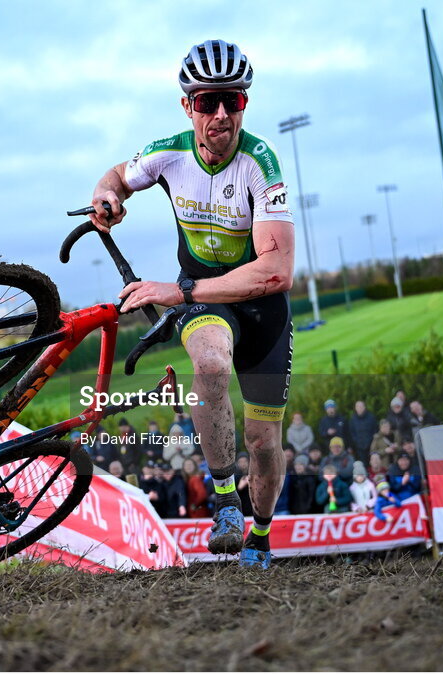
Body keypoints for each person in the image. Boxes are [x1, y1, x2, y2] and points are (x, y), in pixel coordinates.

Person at [89, 40, 295, 568]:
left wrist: (178, 292)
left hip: (260, 310)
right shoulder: (167, 152)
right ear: (188, 106)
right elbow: (115, 177)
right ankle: (225, 497)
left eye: (234, 101)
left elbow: (276, 272)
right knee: (207, 362)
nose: (222, 115)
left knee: (265, 442)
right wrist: (107, 198)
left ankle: (262, 536)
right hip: (208, 303)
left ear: (244, 104)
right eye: (208, 102)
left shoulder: (262, 164)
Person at [347, 400, 378, 464]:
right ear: (355, 408)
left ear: (364, 407)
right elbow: (351, 433)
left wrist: (371, 441)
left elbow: (375, 430)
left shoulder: (371, 417)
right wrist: (356, 442)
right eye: (357, 406)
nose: (359, 408)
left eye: (361, 406)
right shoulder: (353, 419)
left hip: (371, 446)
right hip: (358, 447)